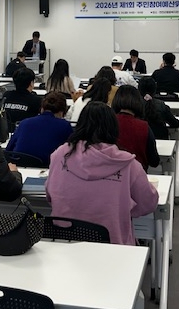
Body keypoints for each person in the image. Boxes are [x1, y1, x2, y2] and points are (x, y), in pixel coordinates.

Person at [46, 101, 159, 245]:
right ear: (113, 128)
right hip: (112, 247)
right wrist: (123, 209)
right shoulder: (127, 164)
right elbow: (148, 203)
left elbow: (50, 195)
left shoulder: (60, 155)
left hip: (63, 243)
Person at [5, 92, 73, 166]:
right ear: (62, 112)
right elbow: (72, 152)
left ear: (42, 108)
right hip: (47, 167)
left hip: (19, 166)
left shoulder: (24, 123)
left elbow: (8, 149)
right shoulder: (65, 126)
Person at [112, 85, 160, 171]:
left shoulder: (107, 123)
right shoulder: (144, 127)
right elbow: (154, 161)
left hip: (110, 173)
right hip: (136, 174)